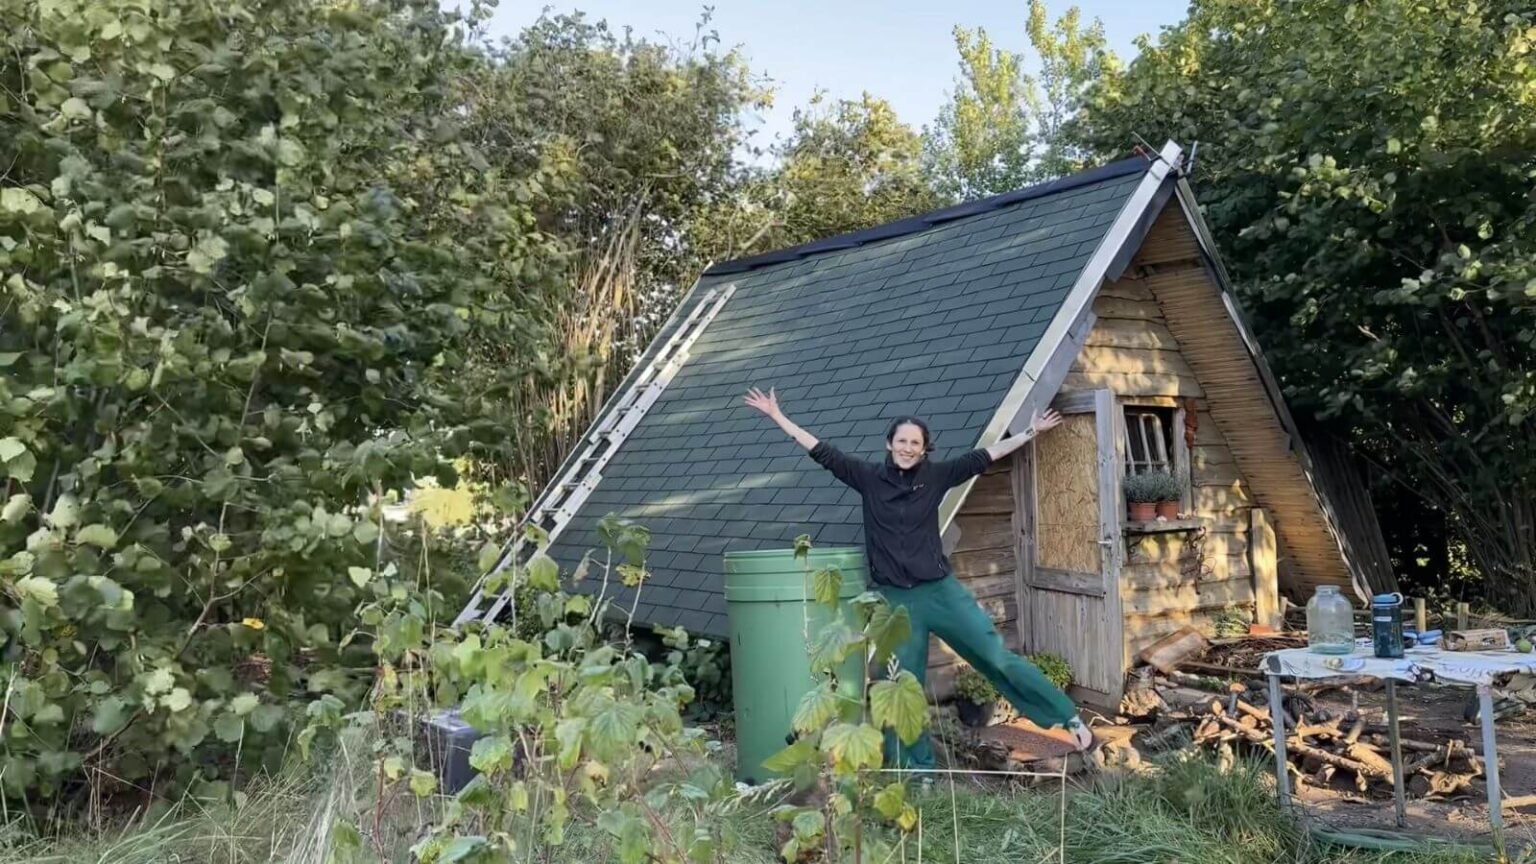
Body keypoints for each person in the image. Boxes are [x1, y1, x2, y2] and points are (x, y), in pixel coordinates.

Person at [744, 387, 1093, 769]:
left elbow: (986, 455)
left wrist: (1030, 432)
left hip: (940, 592)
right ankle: (914, 771)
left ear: (924, 449)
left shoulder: (938, 476)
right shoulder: (868, 478)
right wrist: (778, 416)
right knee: (900, 687)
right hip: (896, 602)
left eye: (915, 443)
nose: (908, 448)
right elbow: (822, 451)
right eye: (902, 441)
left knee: (994, 655)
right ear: (889, 444)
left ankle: (1066, 717)